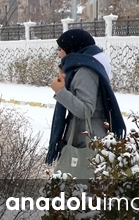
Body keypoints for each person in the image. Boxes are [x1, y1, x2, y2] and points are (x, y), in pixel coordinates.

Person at [45, 28, 126, 171]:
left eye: (61, 49)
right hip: (83, 137)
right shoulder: (80, 68)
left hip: (86, 139)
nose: (59, 55)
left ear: (73, 49)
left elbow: (86, 110)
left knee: (79, 187)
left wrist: (60, 91)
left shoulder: (85, 71)